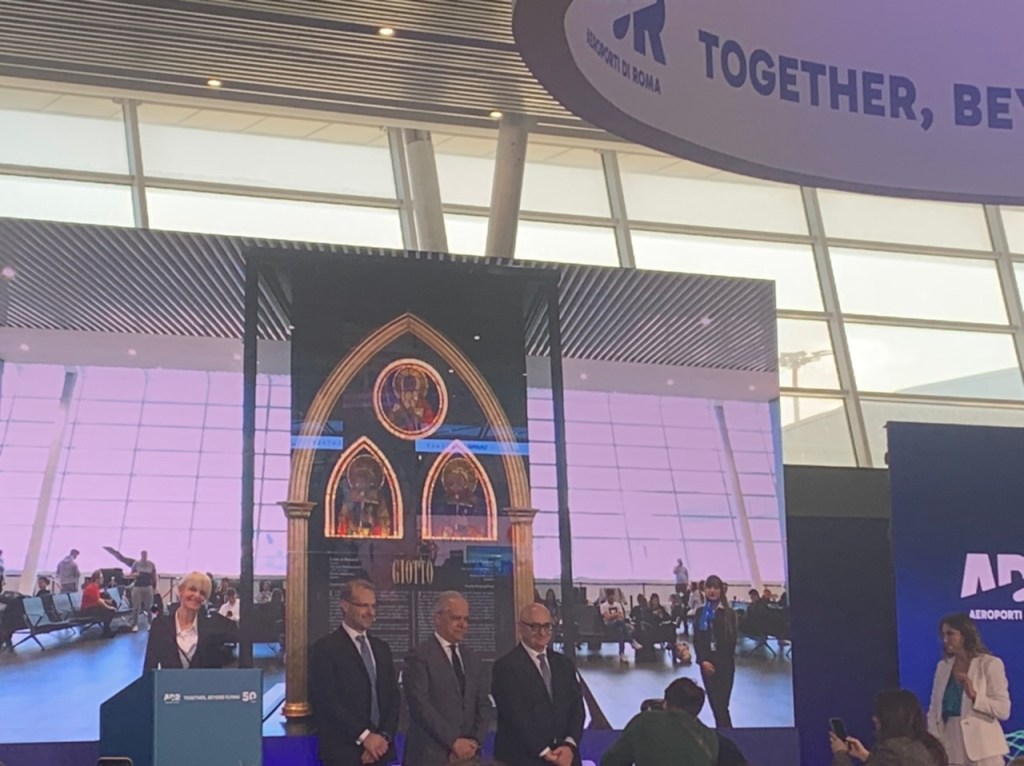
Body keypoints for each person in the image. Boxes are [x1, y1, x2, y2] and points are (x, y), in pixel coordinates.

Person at [309, 579, 400, 766]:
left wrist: (382, 738)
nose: (371, 612)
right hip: (343, 753)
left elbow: (393, 697)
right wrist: (365, 737)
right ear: (344, 605)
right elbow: (327, 701)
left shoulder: (382, 648)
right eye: (364, 605)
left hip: (380, 751)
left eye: (373, 606)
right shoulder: (325, 649)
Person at [403, 591, 492, 766]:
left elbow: (483, 704)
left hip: (469, 757)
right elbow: (420, 706)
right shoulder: (419, 656)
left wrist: (473, 742)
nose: (463, 624)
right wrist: (453, 742)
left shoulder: (472, 658)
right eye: (456, 618)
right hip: (430, 756)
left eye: (466, 619)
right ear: (438, 618)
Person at [492, 603, 584, 766]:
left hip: (566, 758)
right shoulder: (505, 667)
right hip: (523, 759)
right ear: (520, 627)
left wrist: (569, 746)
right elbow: (516, 716)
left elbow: (577, 709)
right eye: (535, 627)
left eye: (547, 626)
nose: (542, 632)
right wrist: (545, 752)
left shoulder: (564, 664)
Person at [927, 613, 1010, 766]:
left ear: (965, 634)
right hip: (951, 747)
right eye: (943, 635)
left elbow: (1003, 710)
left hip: (983, 748)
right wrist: (935, 742)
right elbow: (934, 709)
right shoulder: (943, 667)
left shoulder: (989, 664)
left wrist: (975, 697)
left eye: (950, 634)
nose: (945, 640)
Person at [600, 677, 718, 766]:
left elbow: (612, 761)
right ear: (698, 709)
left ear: (666, 702)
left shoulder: (645, 721)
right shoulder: (710, 737)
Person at [143, 571, 236, 670]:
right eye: (192, 589)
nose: (197, 595)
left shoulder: (212, 627)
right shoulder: (160, 625)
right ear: (181, 591)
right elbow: (149, 666)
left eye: (202, 593)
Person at [831, 689, 948, 766]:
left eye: (879, 714)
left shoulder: (891, 750)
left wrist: (840, 754)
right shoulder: (931, 747)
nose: (874, 718)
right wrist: (865, 756)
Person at [693, 575, 738, 728]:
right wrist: (703, 661)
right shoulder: (701, 612)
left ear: (721, 590)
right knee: (715, 706)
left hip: (725, 665)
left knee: (722, 706)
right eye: (709, 587)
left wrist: (717, 662)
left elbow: (731, 642)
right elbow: (698, 639)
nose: (712, 591)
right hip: (707, 665)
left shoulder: (728, 614)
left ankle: (726, 734)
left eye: (715, 588)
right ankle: (725, 734)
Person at [600, 588, 633, 662]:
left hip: (618, 626)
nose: (612, 598)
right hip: (608, 625)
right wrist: (617, 614)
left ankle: (621, 653)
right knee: (619, 621)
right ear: (607, 597)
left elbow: (622, 616)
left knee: (620, 630)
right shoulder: (603, 606)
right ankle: (631, 641)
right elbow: (607, 618)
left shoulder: (617, 604)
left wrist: (613, 616)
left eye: (613, 597)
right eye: (610, 597)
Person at [81, 570, 116, 638]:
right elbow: (98, 601)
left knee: (110, 607)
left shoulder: (94, 587)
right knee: (109, 611)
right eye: (101, 578)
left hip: (92, 608)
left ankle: (106, 630)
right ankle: (106, 630)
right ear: (97, 579)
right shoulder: (92, 588)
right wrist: (109, 607)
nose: (103, 579)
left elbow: (96, 599)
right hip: (87, 610)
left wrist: (106, 601)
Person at [129, 550, 157, 633]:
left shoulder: (151, 564)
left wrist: (155, 587)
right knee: (136, 607)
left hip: (148, 586)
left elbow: (154, 576)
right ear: (141, 555)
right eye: (143, 555)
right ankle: (135, 624)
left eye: (145, 555)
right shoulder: (136, 564)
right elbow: (131, 574)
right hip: (137, 586)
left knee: (150, 606)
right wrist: (135, 574)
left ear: (147, 555)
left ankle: (150, 623)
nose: (144, 556)